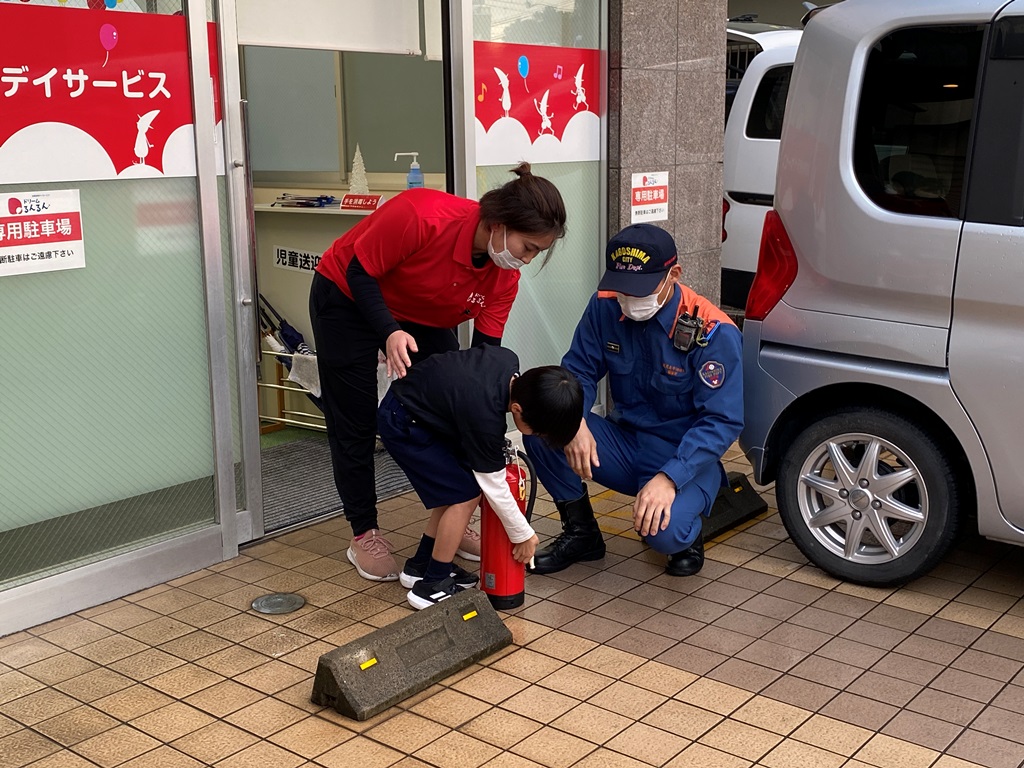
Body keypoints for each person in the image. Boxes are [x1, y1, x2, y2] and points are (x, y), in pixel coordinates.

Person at [309, 164, 567, 582]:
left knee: (451, 407)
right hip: (348, 296)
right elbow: (359, 271)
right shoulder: (422, 215)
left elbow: (482, 365)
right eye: (528, 247)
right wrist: (387, 331)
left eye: (537, 252)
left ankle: (452, 515)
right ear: (499, 224)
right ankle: (364, 532)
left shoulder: (504, 279)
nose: (526, 259)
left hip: (420, 315)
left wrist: (484, 431)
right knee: (354, 419)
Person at [523, 224, 743, 577]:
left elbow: (722, 421)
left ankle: (688, 529)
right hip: (623, 442)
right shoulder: (604, 305)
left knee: (663, 535)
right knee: (543, 425)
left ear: (674, 275)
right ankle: (582, 534)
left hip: (680, 453)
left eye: (640, 289)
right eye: (621, 287)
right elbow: (578, 370)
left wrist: (670, 478)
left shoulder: (712, 331)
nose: (628, 298)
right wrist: (575, 421)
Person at [376, 344, 583, 609]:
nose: (540, 437)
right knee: (463, 495)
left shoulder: (507, 360)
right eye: (539, 432)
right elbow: (494, 485)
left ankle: (422, 565)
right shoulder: (484, 415)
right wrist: (523, 535)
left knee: (458, 490)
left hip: (422, 409)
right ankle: (432, 586)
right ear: (517, 409)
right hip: (404, 421)